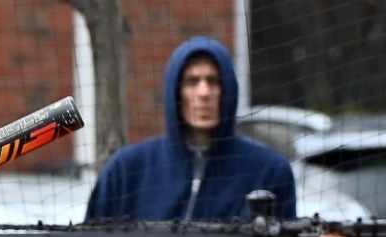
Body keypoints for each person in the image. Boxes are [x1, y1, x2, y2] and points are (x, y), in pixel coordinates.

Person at [85, 37, 296, 222]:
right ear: (175, 92)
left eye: (213, 81)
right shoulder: (126, 172)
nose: (204, 93)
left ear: (229, 90)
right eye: (192, 81)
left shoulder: (268, 172)